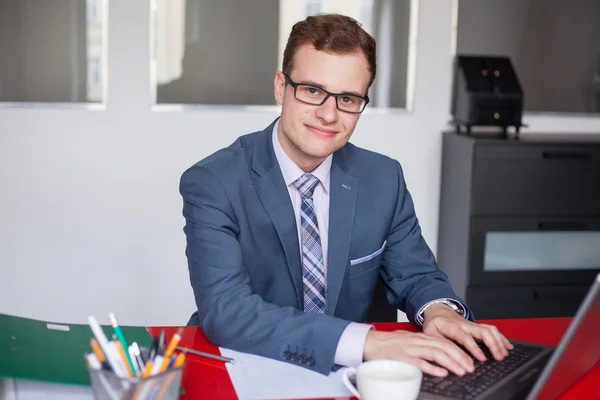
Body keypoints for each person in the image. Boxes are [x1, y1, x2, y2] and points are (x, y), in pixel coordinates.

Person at [179, 13, 513, 377]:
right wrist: (369, 343)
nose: (328, 114)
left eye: (348, 99)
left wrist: (439, 311)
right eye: (312, 90)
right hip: (251, 365)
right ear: (280, 87)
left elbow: (416, 274)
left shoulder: (384, 178)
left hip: (357, 379)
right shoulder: (214, 182)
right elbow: (227, 311)